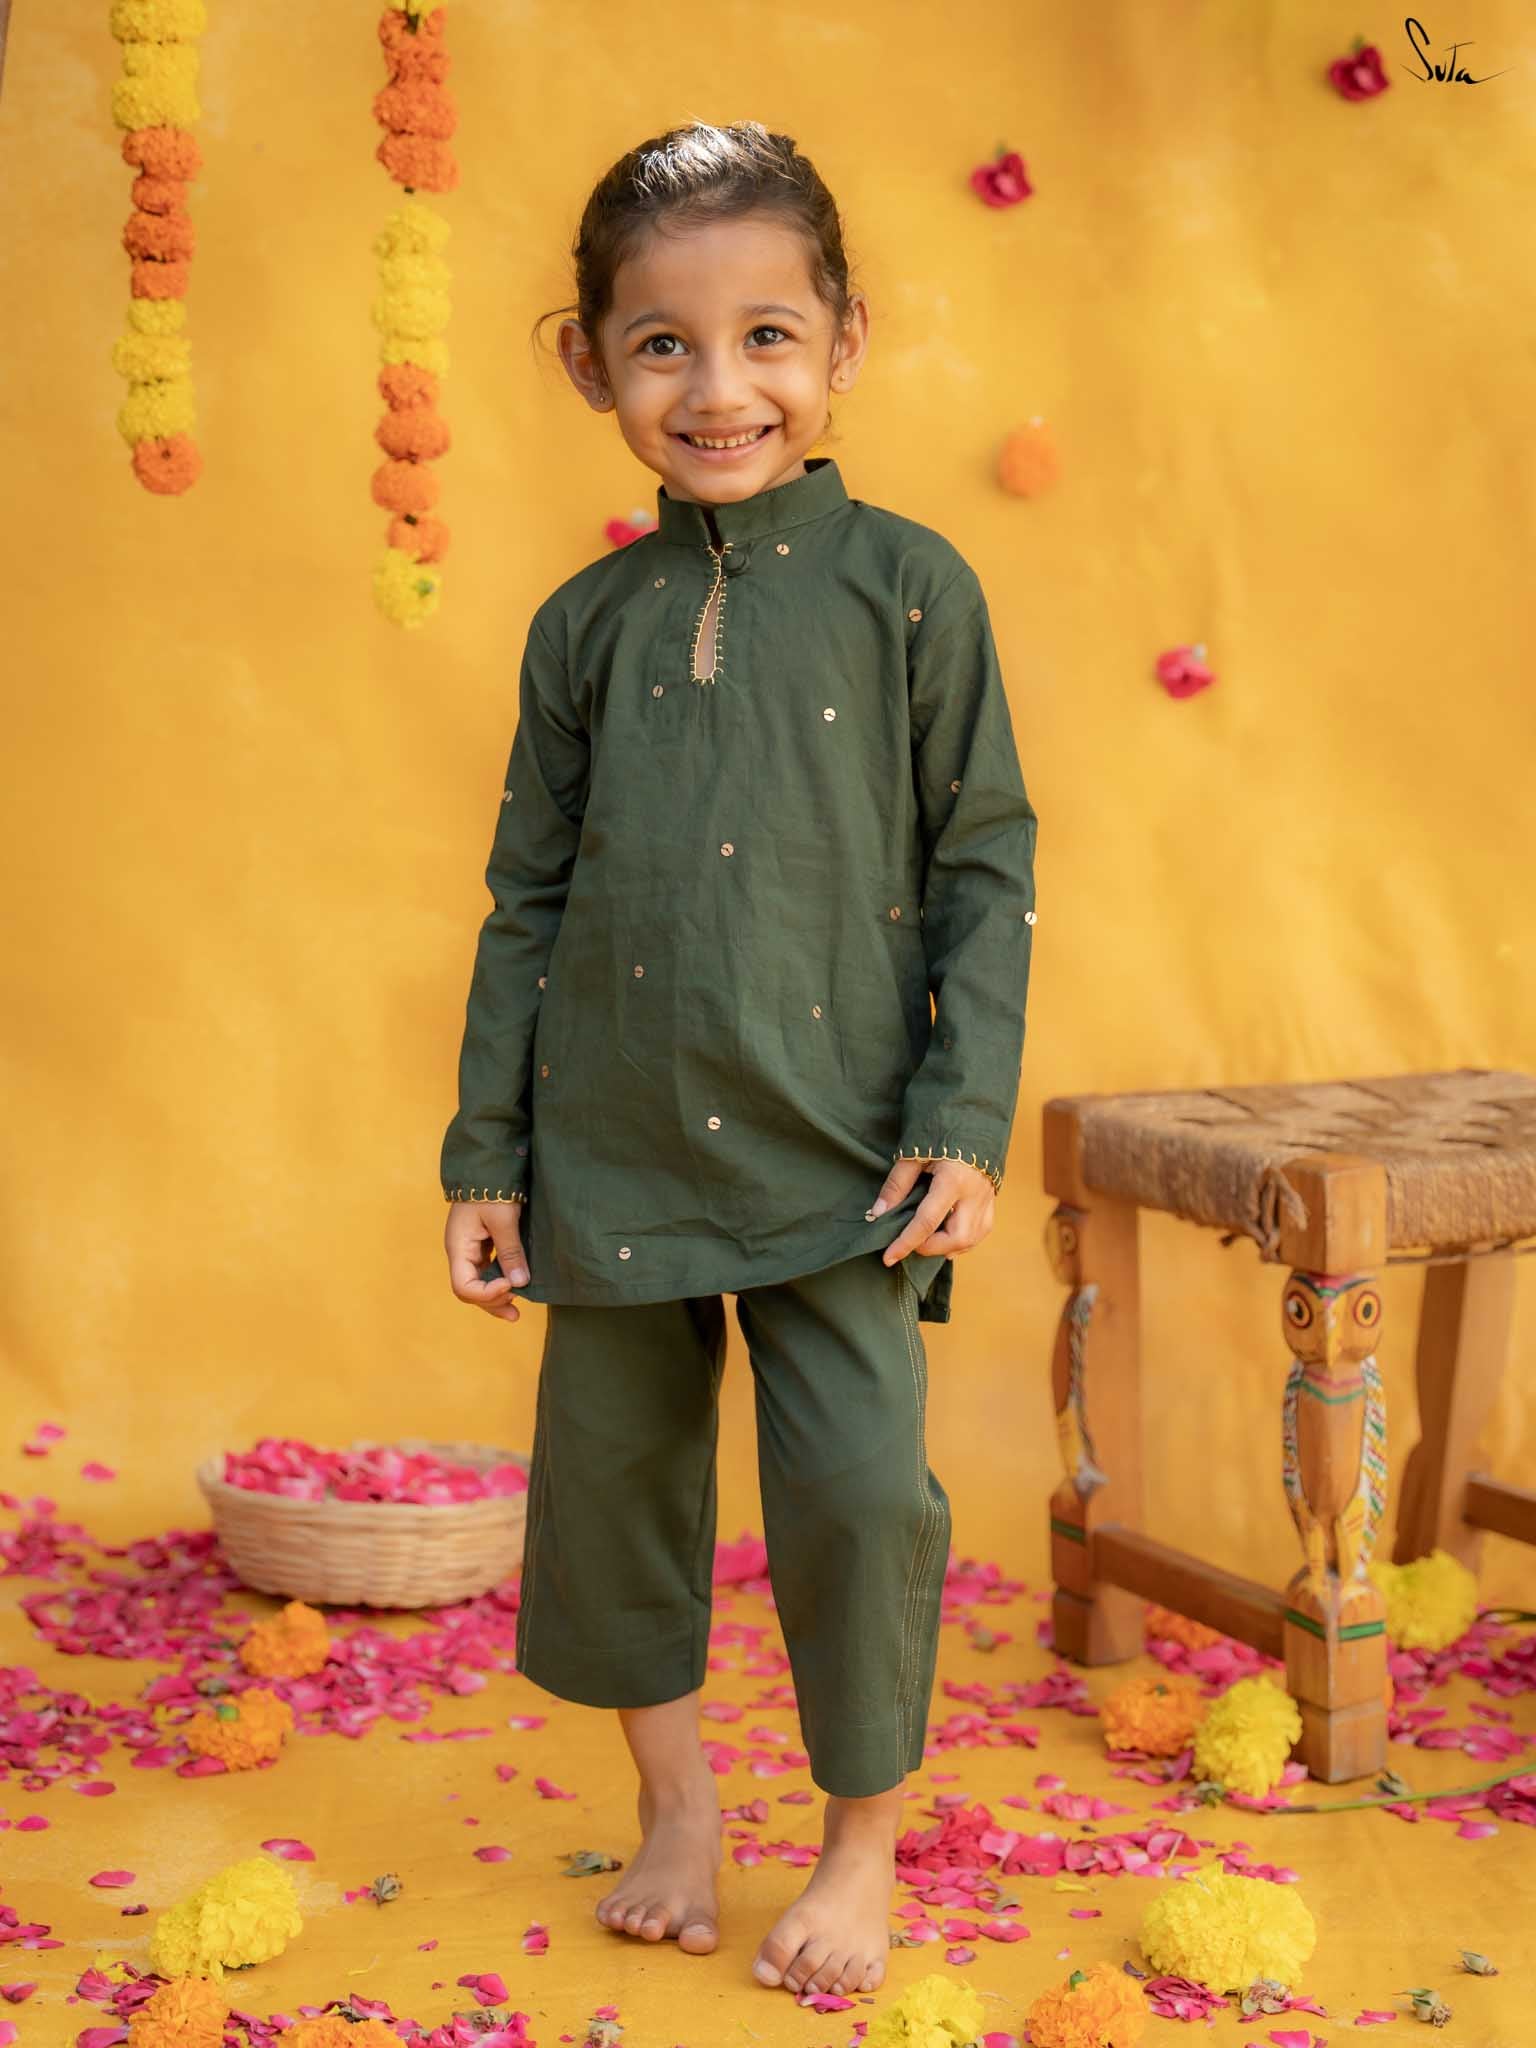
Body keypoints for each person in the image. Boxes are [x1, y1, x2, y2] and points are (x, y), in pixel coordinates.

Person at [440, 120, 1037, 2003]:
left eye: (768, 336)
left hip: (842, 1151)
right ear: (589, 365)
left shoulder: (914, 590)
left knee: (862, 1498)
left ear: (844, 343)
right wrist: (485, 1155)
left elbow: (986, 864)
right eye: (663, 345)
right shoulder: (581, 629)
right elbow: (527, 901)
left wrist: (963, 1117)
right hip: (610, 1146)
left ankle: (861, 1848)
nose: (719, 389)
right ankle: (677, 1806)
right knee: (616, 1488)